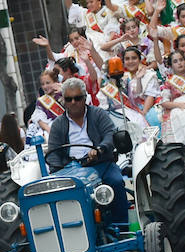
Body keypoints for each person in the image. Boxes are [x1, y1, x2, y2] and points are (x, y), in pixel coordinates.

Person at [47, 78, 128, 224]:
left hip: (101, 164)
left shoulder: (98, 114)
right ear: (63, 100)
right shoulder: (57, 124)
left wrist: (100, 149)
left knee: (116, 182)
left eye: (77, 98)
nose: (73, 102)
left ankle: (122, 227)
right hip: (70, 170)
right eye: (69, 99)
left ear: (84, 98)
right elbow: (53, 153)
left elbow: (110, 135)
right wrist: (56, 174)